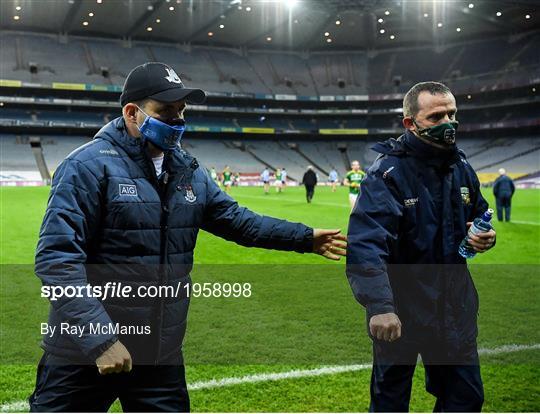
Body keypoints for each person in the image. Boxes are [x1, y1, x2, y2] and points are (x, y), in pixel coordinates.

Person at [30, 62, 348, 412]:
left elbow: (241, 222)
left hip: (159, 355)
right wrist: (100, 339)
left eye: (181, 111)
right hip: (80, 356)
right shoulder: (86, 167)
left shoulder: (187, 170)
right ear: (132, 113)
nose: (177, 121)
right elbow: (57, 260)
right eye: (165, 111)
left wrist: (304, 238)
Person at [346, 81, 496, 412]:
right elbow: (366, 243)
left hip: (455, 309)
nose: (449, 123)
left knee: (466, 398)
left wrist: (484, 236)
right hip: (402, 310)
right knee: (390, 402)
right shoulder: (387, 173)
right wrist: (380, 305)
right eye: (436, 116)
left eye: (452, 114)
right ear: (410, 123)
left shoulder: (461, 166)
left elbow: (478, 216)